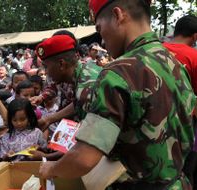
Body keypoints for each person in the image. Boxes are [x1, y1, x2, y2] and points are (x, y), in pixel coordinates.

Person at [39, 0, 195, 189]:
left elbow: (84, 158)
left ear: (118, 15)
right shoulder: (175, 63)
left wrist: (52, 169)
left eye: (100, 28)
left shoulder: (118, 72)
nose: (102, 39)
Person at [163, 15, 197, 188]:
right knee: (185, 174)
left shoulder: (153, 51)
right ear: (195, 36)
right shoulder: (193, 57)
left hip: (152, 130)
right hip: (184, 130)